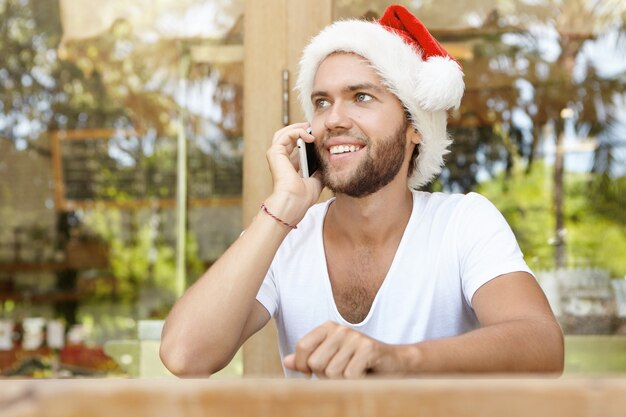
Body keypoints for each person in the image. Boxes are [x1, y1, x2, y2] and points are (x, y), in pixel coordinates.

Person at [160, 4, 564, 378]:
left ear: (415, 128)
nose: (334, 118)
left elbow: (543, 346)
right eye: (321, 102)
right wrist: (282, 207)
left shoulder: (462, 223)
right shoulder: (285, 232)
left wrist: (398, 359)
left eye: (361, 97)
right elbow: (184, 355)